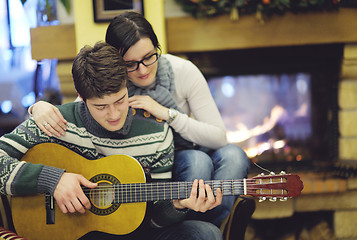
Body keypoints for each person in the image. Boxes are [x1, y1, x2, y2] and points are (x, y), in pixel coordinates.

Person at [28, 11, 251, 235]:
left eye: (149, 57)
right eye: (131, 64)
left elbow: (218, 137)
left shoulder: (183, 72)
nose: (143, 70)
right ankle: (188, 222)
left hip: (185, 147)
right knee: (198, 161)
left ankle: (214, 226)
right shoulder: (111, 84)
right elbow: (82, 106)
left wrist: (167, 114)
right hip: (160, 164)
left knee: (234, 155)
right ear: (115, 61)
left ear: (157, 48)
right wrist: (37, 107)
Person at [0, 42, 223, 240]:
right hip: (70, 232)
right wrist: (53, 180)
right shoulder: (54, 123)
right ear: (81, 96)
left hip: (133, 232)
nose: (114, 114)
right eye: (101, 106)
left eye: (120, 100)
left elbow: (153, 219)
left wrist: (178, 204)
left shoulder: (157, 134)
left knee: (206, 233)